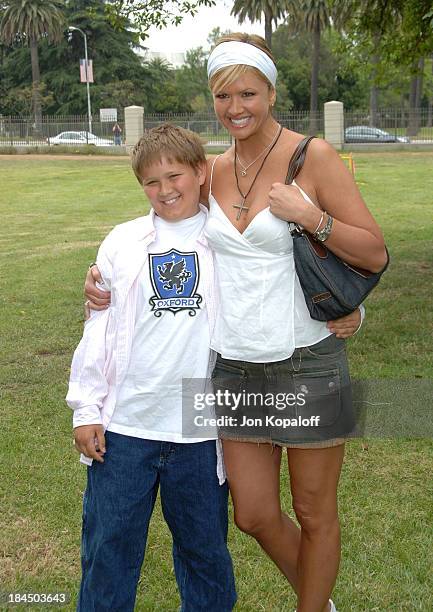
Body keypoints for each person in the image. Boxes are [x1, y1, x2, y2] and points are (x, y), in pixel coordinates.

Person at [84, 34, 381, 612]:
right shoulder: (213, 171)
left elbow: (371, 251)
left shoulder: (311, 157)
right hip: (237, 367)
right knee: (253, 514)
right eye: (224, 95)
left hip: (307, 361)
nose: (236, 106)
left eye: (248, 92)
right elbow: (166, 238)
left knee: (315, 511)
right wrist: (101, 283)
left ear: (271, 92)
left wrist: (312, 217)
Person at [66, 124, 236, 612]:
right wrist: (86, 409)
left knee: (204, 551)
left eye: (175, 175)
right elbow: (99, 331)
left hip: (198, 428)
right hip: (126, 426)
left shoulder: (227, 240)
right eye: (151, 182)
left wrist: (345, 309)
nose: (165, 190)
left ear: (201, 173)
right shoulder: (122, 242)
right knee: (109, 549)